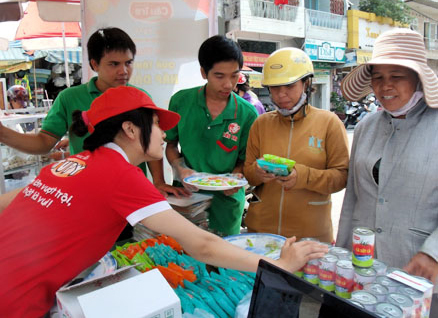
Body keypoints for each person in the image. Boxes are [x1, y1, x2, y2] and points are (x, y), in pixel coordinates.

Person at [0, 86, 328, 318]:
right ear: (132, 130)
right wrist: (279, 266)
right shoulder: (120, 174)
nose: (164, 134)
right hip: (9, 301)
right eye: (156, 124)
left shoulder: (71, 163)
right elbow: (202, 245)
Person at [0, 27, 183, 197]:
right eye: (114, 64)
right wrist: (2, 133)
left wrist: (158, 181)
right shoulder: (69, 98)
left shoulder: (140, 96)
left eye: (128, 63)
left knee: (134, 243)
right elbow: (44, 142)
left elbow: (151, 143)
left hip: (132, 191)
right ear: (94, 64)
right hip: (86, 192)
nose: (123, 71)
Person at [335, 28, 438, 312]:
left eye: (396, 76)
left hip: (420, 269)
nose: (384, 86)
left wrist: (434, 253)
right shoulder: (367, 126)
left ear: (418, 78)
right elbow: (353, 199)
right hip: (365, 265)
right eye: (378, 77)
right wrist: (343, 252)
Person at [243, 48, 349, 243]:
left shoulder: (329, 122)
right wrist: (257, 173)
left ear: (306, 83)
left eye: (290, 86)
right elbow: (248, 173)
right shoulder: (261, 123)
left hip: (310, 236)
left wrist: (303, 177)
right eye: (275, 87)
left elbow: (341, 177)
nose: (281, 94)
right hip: (261, 233)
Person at [159, 35, 259, 236]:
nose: (229, 84)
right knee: (184, 255)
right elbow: (170, 144)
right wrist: (181, 169)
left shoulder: (247, 114)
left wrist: (236, 177)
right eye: (219, 76)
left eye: (234, 76)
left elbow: (244, 160)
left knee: (222, 259)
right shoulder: (181, 101)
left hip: (226, 203)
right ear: (204, 72)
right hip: (186, 196)